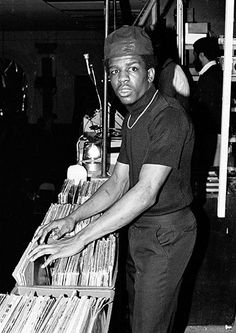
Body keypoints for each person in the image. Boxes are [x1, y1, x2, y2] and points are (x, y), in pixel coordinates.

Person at [29, 25, 197, 333]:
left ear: (149, 73)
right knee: (136, 317)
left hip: (166, 234)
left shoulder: (168, 117)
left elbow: (145, 192)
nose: (122, 79)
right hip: (139, 227)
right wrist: (72, 219)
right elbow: (118, 183)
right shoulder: (134, 115)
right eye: (115, 71)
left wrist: (80, 240)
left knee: (150, 326)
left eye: (132, 68)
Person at [191, 36, 223, 203]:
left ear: (201, 55)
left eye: (195, 55)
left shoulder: (208, 78)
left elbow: (205, 112)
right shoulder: (216, 74)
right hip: (212, 134)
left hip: (207, 136)